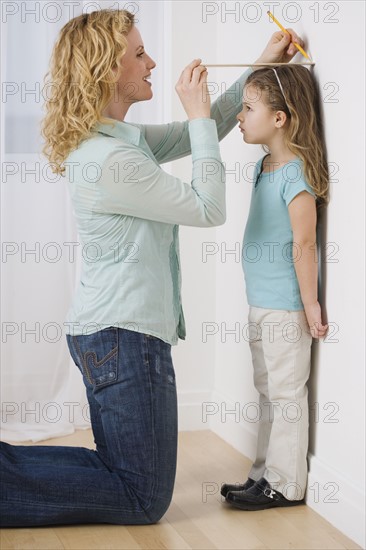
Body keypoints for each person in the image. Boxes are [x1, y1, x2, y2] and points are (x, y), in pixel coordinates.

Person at [0, 8, 305, 526]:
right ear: (105, 70)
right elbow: (209, 207)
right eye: (139, 54)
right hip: (123, 338)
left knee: (124, 474)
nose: (153, 62)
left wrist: (258, 67)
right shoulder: (110, 160)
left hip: (115, 335)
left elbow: (194, 138)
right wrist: (198, 113)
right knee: (141, 497)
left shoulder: (118, 140)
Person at [221, 64, 329, 510]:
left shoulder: (296, 173)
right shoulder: (264, 166)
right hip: (259, 303)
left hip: (286, 308)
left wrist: (310, 304)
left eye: (248, 108)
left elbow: (304, 243)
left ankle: (286, 485)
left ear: (280, 117)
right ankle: (263, 473)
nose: (240, 117)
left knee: (286, 396)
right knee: (267, 391)